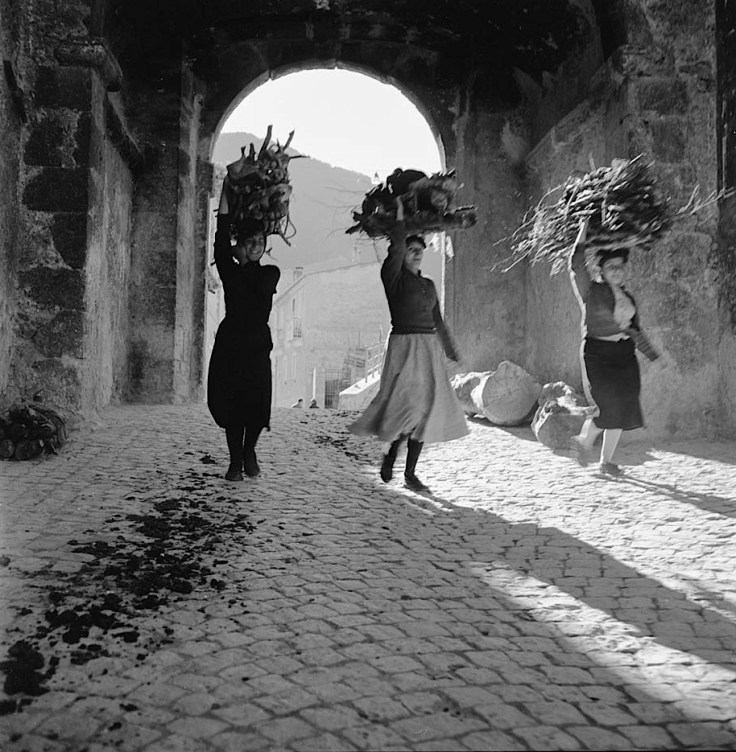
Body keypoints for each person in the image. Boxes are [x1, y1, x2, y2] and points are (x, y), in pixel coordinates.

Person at [348, 199, 468, 492]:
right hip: (405, 348)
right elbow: (396, 249)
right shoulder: (393, 279)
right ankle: (392, 453)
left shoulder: (428, 285)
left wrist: (451, 351)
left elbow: (438, 321)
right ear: (402, 253)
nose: (416, 254)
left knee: (426, 411)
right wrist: (401, 222)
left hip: (429, 351)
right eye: (411, 249)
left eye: (420, 250)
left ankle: (410, 473)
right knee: (410, 407)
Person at [568, 217, 659, 476]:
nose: (617, 271)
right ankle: (583, 442)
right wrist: (583, 229)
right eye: (611, 267)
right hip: (598, 355)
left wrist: (652, 355)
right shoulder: (591, 291)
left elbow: (634, 330)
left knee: (624, 406)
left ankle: (605, 462)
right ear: (601, 270)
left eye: (620, 266)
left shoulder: (627, 297)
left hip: (624, 356)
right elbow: (576, 264)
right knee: (607, 407)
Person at [207, 179, 280, 481]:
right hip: (232, 344)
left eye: (260, 241)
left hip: (257, 344)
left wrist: (241, 258)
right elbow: (220, 239)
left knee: (257, 404)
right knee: (234, 405)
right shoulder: (230, 271)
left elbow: (255, 285)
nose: (256, 246)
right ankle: (235, 461)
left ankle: (249, 452)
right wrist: (225, 196)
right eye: (250, 241)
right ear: (241, 244)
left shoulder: (270, 273)